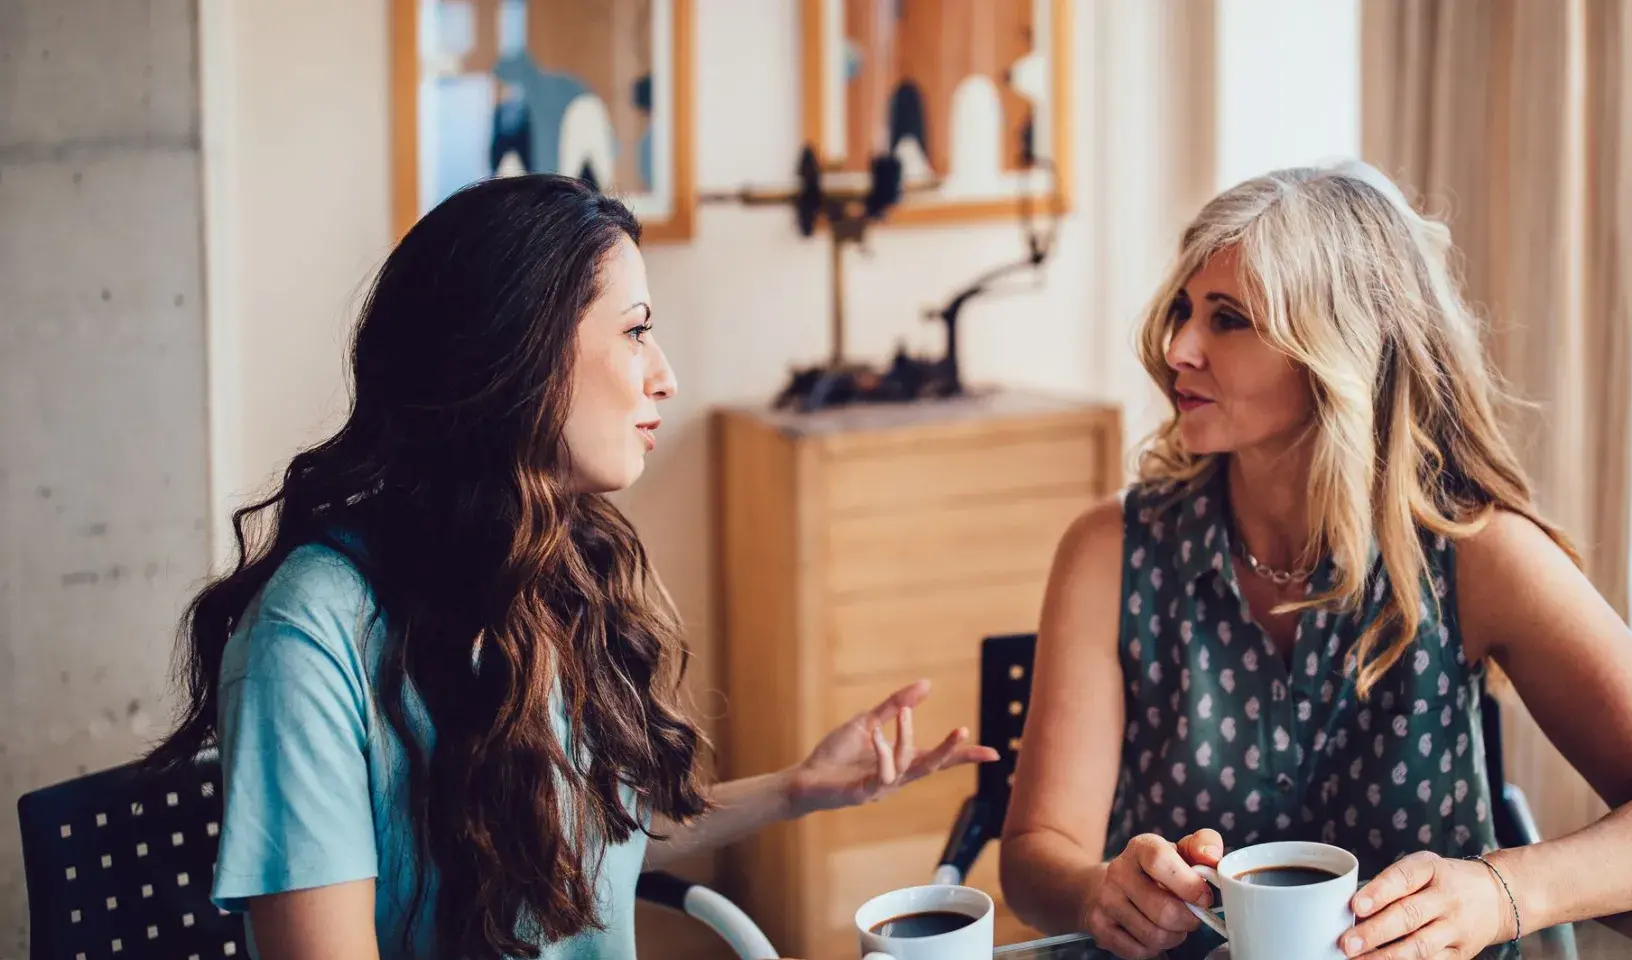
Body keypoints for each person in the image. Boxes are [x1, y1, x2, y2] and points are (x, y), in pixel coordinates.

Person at [146, 175, 995, 960]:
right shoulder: (310, 632)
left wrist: (797, 787)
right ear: (517, 354)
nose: (665, 377)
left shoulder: (547, 563)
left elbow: (576, 838)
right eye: (634, 332)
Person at [997, 162, 1632, 960]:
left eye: (1228, 319)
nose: (1178, 347)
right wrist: (1100, 892)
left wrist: (1505, 891)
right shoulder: (1109, 552)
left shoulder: (1475, 555)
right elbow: (1035, 856)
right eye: (1184, 310)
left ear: (1338, 349)